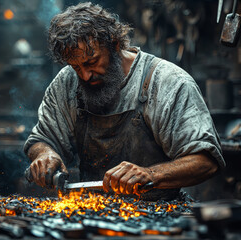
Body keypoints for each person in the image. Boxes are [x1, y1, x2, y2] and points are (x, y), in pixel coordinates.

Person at [23, 2, 225, 200]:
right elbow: (42, 139)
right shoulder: (67, 82)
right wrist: (44, 154)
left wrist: (151, 174)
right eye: (76, 67)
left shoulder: (167, 82)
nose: (84, 76)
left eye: (92, 62)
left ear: (115, 44)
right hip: (90, 211)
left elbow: (205, 161)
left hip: (158, 215)